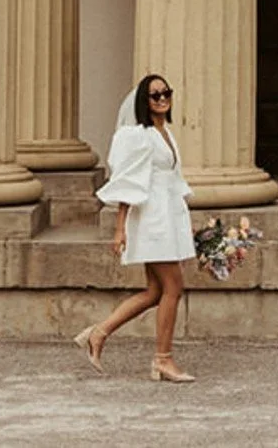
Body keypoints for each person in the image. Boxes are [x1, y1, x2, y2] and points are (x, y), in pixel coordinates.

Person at [75, 73, 196, 382]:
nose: (162, 99)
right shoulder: (138, 135)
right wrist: (120, 228)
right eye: (154, 95)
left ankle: (98, 333)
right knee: (174, 287)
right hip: (152, 218)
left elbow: (173, 180)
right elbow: (128, 183)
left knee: (156, 290)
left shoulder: (165, 132)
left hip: (169, 216)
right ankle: (162, 360)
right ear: (144, 101)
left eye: (165, 93)